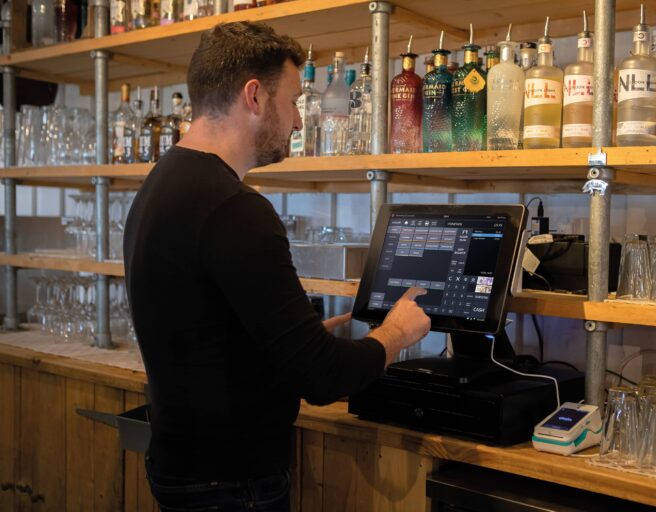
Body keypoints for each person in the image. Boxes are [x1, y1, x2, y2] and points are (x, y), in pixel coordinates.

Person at [123, 22, 431, 512]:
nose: (296, 122)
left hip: (181, 467)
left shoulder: (162, 182)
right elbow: (324, 379)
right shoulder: (235, 207)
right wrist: (395, 334)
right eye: (291, 103)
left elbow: (205, 333)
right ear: (254, 97)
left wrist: (293, 340)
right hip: (232, 485)